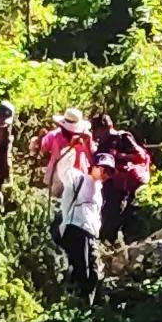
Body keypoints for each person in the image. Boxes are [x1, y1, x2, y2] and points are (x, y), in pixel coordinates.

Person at [50, 126, 104, 302]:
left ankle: (85, 308)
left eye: (108, 172)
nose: (105, 174)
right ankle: (78, 307)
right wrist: (70, 148)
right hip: (76, 228)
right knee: (83, 271)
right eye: (103, 169)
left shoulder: (99, 189)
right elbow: (63, 169)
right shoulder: (78, 178)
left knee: (93, 272)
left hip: (91, 232)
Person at [95, 113, 152, 244]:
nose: (95, 134)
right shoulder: (101, 143)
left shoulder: (121, 137)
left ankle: (109, 242)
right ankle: (105, 242)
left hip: (120, 184)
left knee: (114, 213)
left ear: (105, 127)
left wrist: (119, 156)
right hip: (105, 184)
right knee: (105, 213)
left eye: (96, 130)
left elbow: (140, 156)